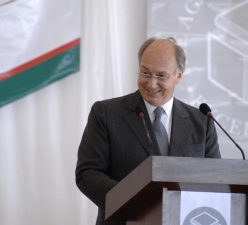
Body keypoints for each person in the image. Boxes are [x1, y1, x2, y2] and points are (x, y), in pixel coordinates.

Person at [75, 37, 221, 225]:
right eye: (145, 73)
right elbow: (88, 173)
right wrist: (135, 201)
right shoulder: (106, 113)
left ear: (179, 76)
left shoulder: (201, 122)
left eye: (161, 76)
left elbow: (216, 181)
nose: (151, 84)